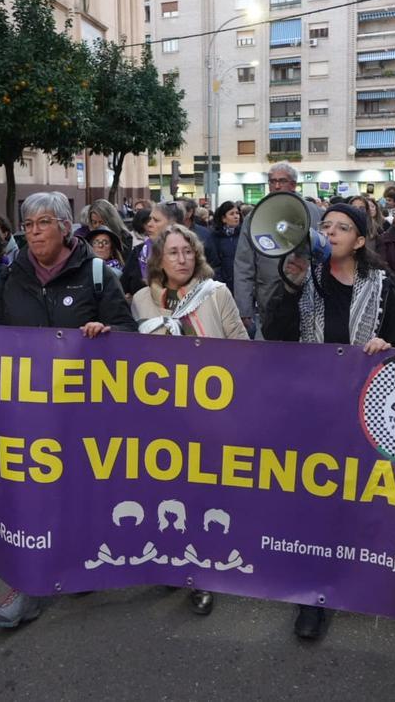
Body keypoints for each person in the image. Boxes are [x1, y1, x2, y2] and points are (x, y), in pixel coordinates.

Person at [0, 191, 136, 630]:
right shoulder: (11, 274)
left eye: (43, 223)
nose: (34, 233)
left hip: (84, 411)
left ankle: (82, 560)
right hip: (28, 413)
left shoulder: (96, 273)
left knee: (81, 493)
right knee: (31, 497)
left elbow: (128, 333)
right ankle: (30, 585)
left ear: (65, 227)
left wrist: (106, 331)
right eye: (28, 225)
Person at [264, 202, 395, 640]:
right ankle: (313, 596)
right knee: (314, 501)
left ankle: (351, 572)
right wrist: (290, 288)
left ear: (360, 241)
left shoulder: (380, 287)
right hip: (310, 409)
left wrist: (384, 346)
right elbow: (274, 335)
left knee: (352, 501)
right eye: (325, 225)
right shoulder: (304, 277)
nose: (330, 232)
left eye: (342, 227)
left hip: (360, 411)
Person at [131, 223, 248, 616]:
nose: (182, 259)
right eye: (173, 253)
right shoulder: (141, 301)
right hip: (162, 419)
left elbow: (243, 348)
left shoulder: (215, 293)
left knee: (204, 499)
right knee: (166, 498)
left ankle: (201, 575)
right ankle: (170, 561)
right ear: (158, 261)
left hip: (210, 416)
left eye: (187, 252)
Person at [234, 163, 323, 338]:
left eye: (282, 181)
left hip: (309, 295)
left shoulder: (315, 213)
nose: (276, 186)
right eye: (272, 181)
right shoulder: (254, 217)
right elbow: (244, 265)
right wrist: (244, 308)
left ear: (293, 184)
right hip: (270, 296)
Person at [122, 202, 184, 298]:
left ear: (174, 224)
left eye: (156, 220)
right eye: (150, 219)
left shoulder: (188, 254)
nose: (149, 224)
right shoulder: (139, 252)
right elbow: (123, 288)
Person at [210, 201, 242, 292]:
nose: (236, 216)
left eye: (237, 213)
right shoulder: (214, 236)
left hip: (241, 283)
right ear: (223, 218)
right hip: (222, 284)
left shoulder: (243, 235)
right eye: (232, 214)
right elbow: (214, 263)